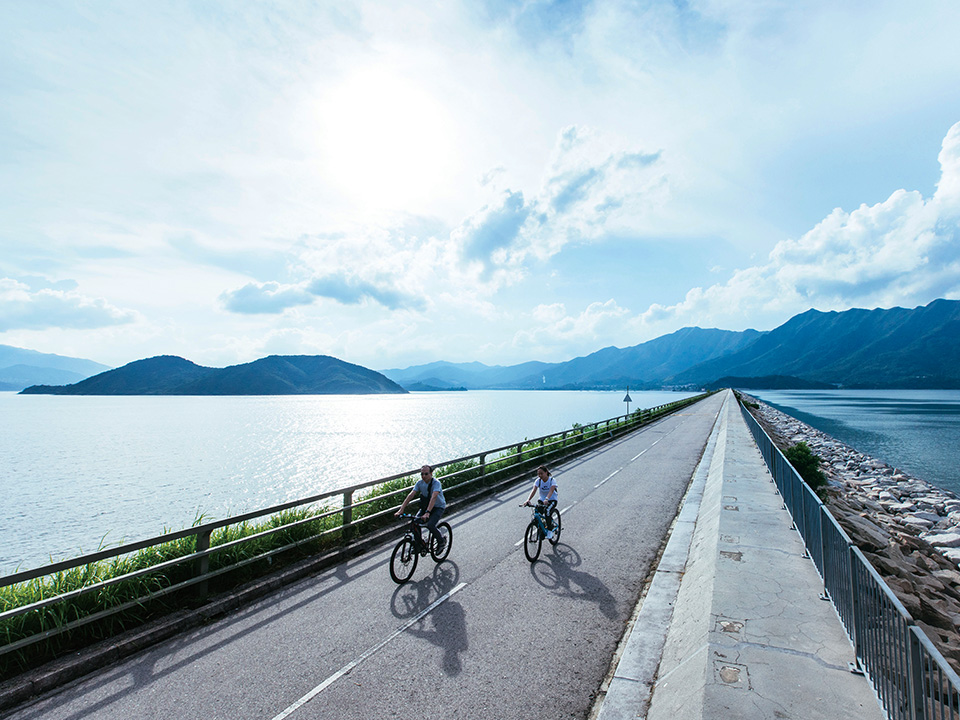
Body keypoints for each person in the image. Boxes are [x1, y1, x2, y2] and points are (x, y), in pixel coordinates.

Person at [396, 464, 447, 553]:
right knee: (414, 523)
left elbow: (434, 497)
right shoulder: (420, 483)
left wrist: (427, 512)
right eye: (422, 474)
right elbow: (411, 495)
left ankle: (441, 541)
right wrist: (401, 509)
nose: (423, 476)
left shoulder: (436, 483)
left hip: (438, 507)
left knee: (430, 525)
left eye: (426, 474)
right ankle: (419, 544)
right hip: (425, 507)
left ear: (431, 473)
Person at [523, 465, 558, 540]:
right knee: (538, 513)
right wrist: (528, 499)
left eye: (541, 473)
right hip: (542, 500)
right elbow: (534, 490)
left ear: (546, 472)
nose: (540, 475)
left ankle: (549, 530)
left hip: (552, 499)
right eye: (538, 474)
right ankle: (542, 529)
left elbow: (551, 490)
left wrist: (547, 499)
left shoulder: (552, 480)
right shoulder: (538, 481)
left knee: (547, 511)